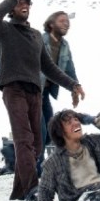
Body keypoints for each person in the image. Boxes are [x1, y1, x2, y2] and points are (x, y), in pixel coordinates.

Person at [0, 0, 84, 201]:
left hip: (34, 91)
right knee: (24, 140)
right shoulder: (4, 29)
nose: (25, 5)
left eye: (27, 3)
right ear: (12, 8)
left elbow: (48, 67)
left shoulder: (35, 36)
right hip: (14, 89)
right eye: (20, 3)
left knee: (37, 144)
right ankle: (32, 187)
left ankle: (20, 192)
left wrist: (72, 84)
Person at [38, 110, 100, 201]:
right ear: (60, 132)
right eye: (69, 123)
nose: (76, 123)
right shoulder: (53, 162)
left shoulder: (92, 143)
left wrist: (94, 119)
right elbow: (44, 193)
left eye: (76, 119)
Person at [38, 10, 79, 169]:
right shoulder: (40, 40)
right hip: (34, 90)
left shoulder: (64, 45)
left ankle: (39, 160)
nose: (66, 23)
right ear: (51, 24)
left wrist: (74, 89)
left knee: (49, 129)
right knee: (40, 128)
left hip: (46, 92)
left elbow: (69, 69)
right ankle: (37, 167)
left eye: (67, 21)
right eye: (62, 21)